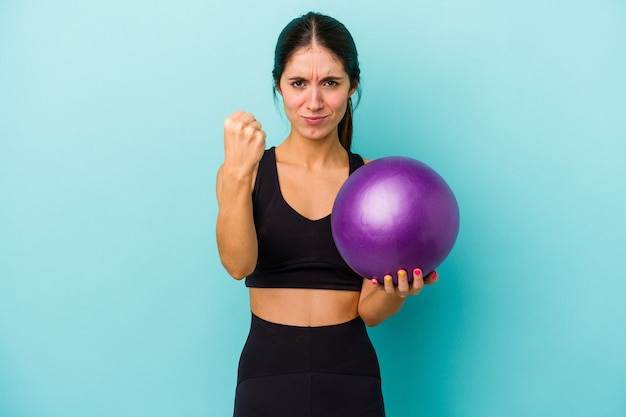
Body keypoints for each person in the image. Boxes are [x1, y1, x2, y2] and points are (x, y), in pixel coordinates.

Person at [216, 11, 438, 417]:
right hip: (267, 372)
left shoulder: (376, 185)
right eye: (298, 83)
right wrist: (235, 173)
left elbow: (369, 313)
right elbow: (238, 264)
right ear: (278, 85)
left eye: (330, 83)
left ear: (352, 85)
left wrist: (395, 293)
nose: (313, 102)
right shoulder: (243, 172)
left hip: (350, 373)